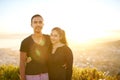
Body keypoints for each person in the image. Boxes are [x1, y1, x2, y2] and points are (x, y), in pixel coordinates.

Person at [19, 14, 51, 80]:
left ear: (43, 24)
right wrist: (23, 78)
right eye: (35, 22)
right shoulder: (25, 42)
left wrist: (65, 60)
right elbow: (22, 62)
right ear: (31, 25)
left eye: (40, 22)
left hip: (46, 75)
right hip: (31, 76)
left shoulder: (49, 38)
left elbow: (60, 45)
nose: (38, 24)